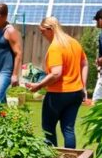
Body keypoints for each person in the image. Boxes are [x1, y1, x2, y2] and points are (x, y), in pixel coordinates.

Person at [23, 16, 89, 149]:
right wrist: (84, 86)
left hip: (58, 94)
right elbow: (85, 63)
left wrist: (39, 85)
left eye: (42, 31)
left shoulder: (55, 47)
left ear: (50, 29)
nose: (42, 34)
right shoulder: (74, 43)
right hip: (76, 92)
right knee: (68, 128)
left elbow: (56, 73)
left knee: (48, 127)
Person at [0, 3, 23, 104]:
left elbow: (18, 53)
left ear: (5, 16)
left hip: (5, 72)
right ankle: (8, 119)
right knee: (0, 101)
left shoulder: (10, 31)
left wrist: (15, 75)